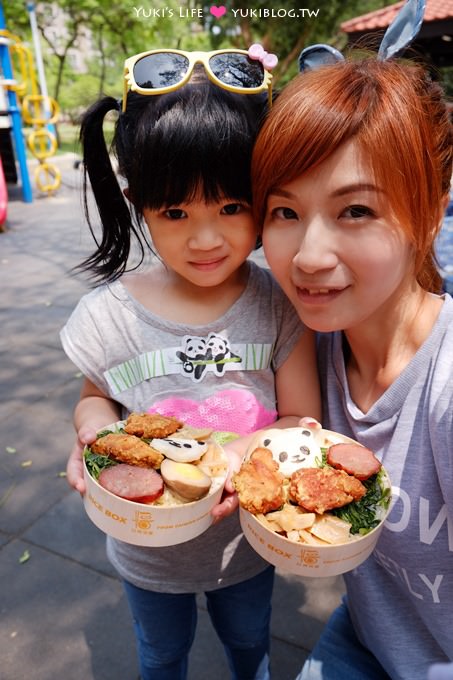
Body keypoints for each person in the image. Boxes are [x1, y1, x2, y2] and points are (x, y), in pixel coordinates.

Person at [61, 47, 321, 680]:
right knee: (161, 654)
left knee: (249, 645)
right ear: (138, 202)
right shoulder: (108, 317)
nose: (206, 240)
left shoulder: (278, 305)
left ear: (263, 197)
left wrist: (236, 457)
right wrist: (95, 430)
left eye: (231, 207)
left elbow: (305, 420)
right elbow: (95, 395)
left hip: (245, 549)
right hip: (146, 547)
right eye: (175, 212)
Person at [249, 56, 453, 680]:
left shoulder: (444, 390)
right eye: (285, 212)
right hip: (366, 634)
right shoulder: (304, 344)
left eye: (355, 211)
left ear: (430, 213)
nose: (308, 257)